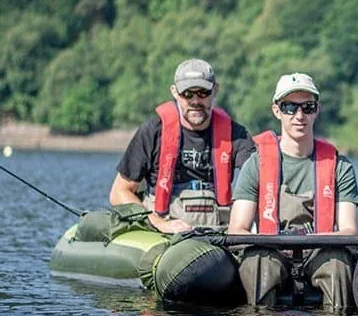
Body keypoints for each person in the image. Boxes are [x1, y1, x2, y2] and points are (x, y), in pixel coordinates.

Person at [227, 73, 358, 311]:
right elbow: (237, 229)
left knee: (338, 263)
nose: (299, 116)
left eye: (307, 107)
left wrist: (309, 241)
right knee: (258, 263)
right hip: (271, 250)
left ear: (316, 110)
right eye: (289, 107)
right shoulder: (256, 164)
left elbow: (349, 230)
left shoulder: (340, 166)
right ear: (276, 111)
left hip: (320, 252)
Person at [109, 58, 255, 233]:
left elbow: (259, 183)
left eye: (202, 93)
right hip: (162, 230)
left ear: (215, 90)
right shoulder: (153, 132)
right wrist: (159, 223)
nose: (195, 101)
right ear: (175, 92)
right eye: (187, 94)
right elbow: (119, 192)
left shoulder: (237, 135)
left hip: (217, 231)